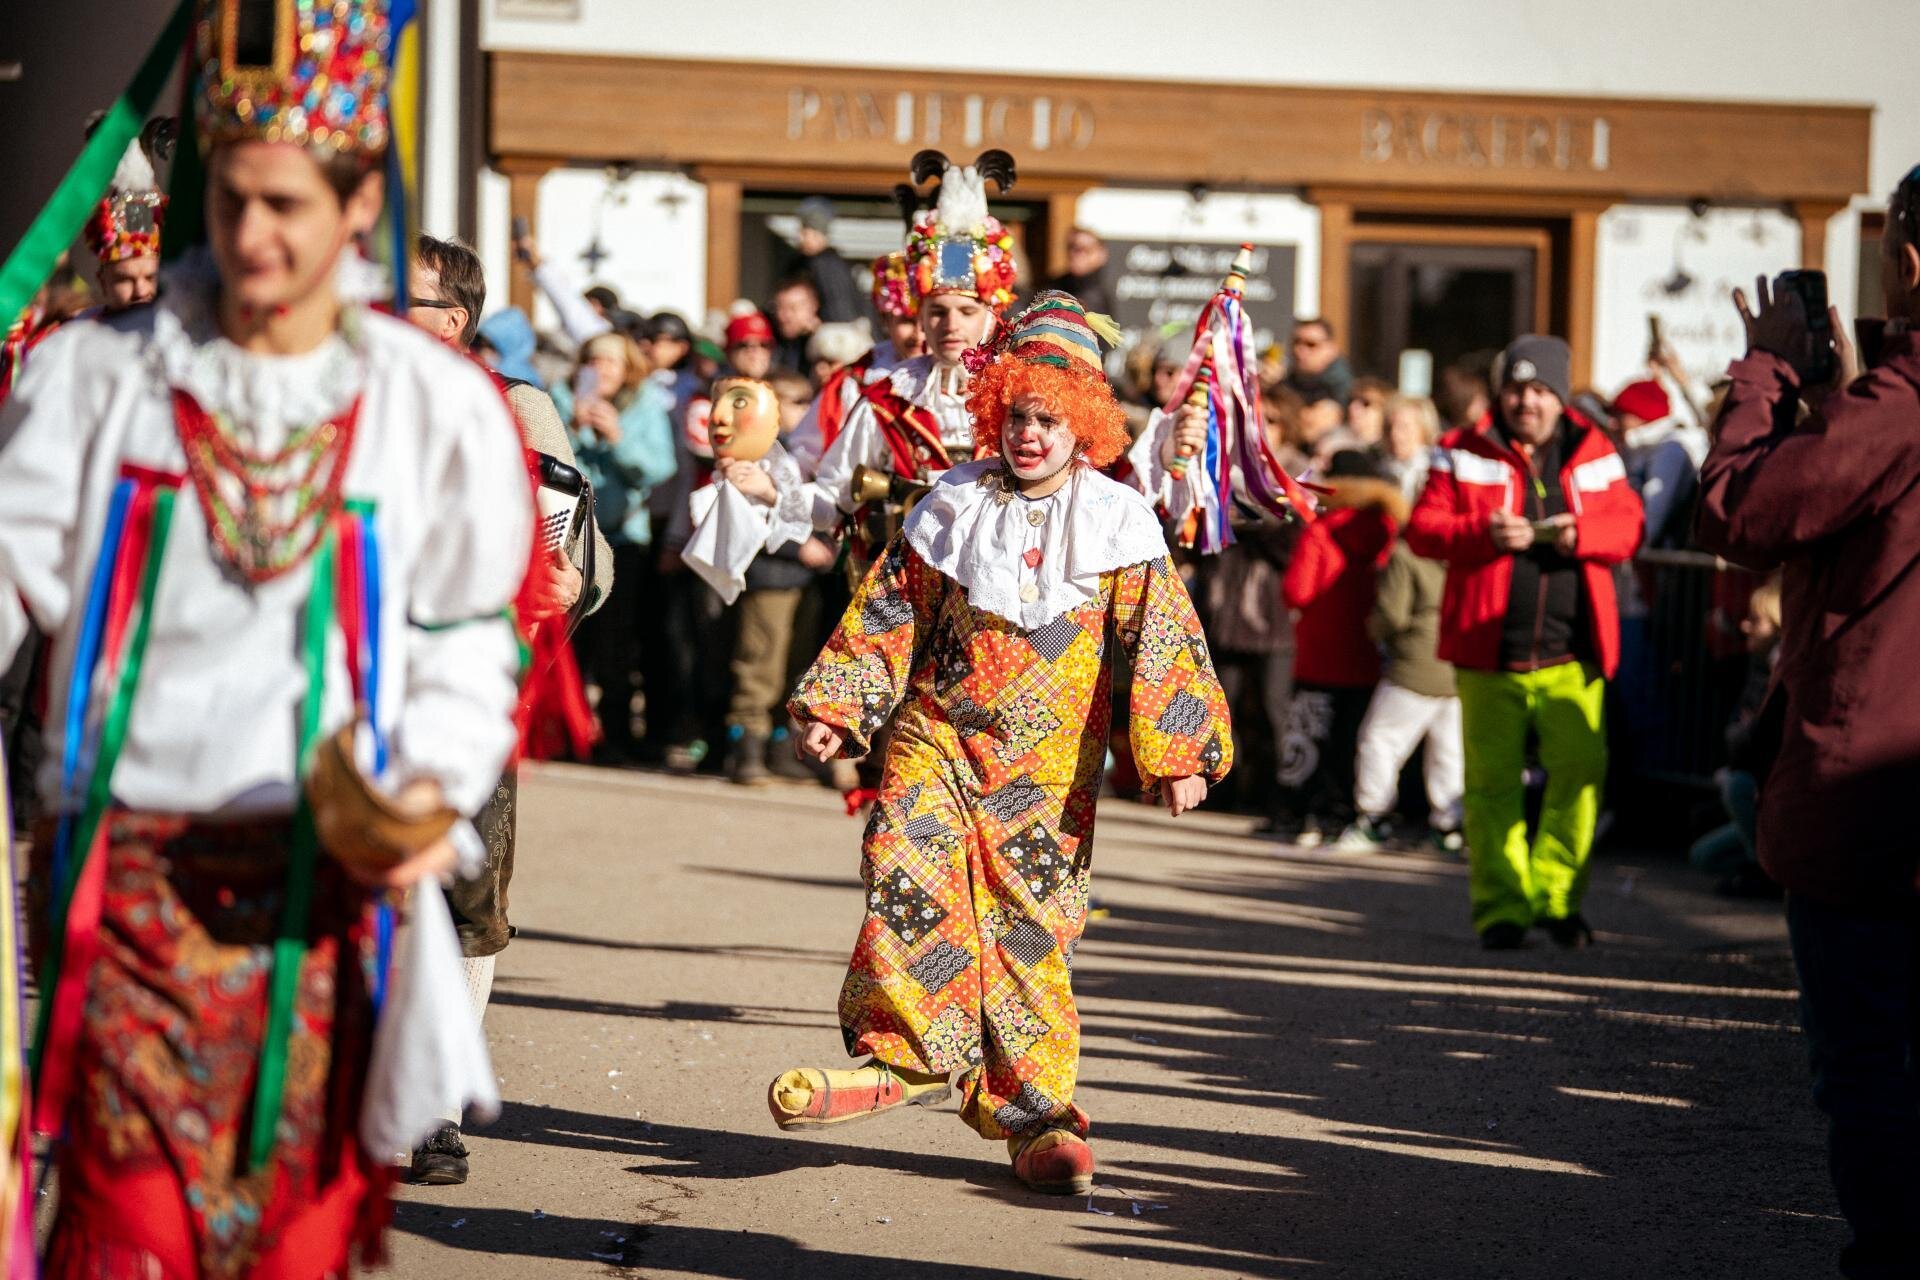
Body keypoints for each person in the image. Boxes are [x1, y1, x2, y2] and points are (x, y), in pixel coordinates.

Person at [0, 0, 535, 1268]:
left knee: (285, 1232)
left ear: (357, 205)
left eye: (286, 204)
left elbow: (469, 635)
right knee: (126, 1224)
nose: (250, 235)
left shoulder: (430, 404)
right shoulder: (95, 375)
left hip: (324, 883)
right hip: (124, 879)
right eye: (231, 199)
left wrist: (427, 785)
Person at [767, 292, 1232, 1196]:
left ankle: (1036, 1117)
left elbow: (1165, 643)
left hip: (1049, 771)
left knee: (1029, 936)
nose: (1028, 434)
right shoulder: (950, 505)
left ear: (1084, 426)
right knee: (907, 864)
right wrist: (841, 705)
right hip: (937, 735)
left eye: (1048, 420)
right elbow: (889, 614)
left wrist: (1178, 753)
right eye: (1016, 414)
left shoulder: (1120, 525)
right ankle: (900, 1052)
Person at [1693, 172, 1920, 1278]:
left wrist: (1771, 369)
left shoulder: (1905, 403)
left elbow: (1742, 509)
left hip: (1874, 798)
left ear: (1909, 264)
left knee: (1876, 1065)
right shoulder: (1890, 400)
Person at [402, 234, 610, 1183]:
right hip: (353, 678)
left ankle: (434, 1108)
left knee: (465, 901)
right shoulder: (336, 390)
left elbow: (581, 543)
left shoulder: (517, 408)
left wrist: (571, 580)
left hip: (474, 683)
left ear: (452, 321)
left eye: (401, 301)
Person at [1406, 335, 1643, 950]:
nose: (1526, 401)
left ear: (1560, 396)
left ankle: (1558, 902)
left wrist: (1580, 532)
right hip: (1490, 654)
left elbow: (1627, 527)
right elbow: (1424, 529)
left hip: (1575, 655)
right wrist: (1482, 532)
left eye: (1540, 390)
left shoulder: (1597, 450)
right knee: (1489, 789)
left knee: (1580, 779)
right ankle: (1502, 910)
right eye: (1516, 388)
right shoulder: (1458, 450)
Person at [796, 151, 1018, 556]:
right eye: (936, 312)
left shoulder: (1024, 393)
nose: (951, 325)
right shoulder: (889, 398)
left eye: (967, 311)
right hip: (907, 585)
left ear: (991, 315)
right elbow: (834, 492)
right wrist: (770, 496)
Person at [554, 332, 677, 763]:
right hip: (565, 538)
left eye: (612, 362)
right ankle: (563, 732)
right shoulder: (557, 398)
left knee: (616, 642)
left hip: (622, 538)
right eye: (594, 360)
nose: (602, 370)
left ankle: (617, 736)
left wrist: (617, 437)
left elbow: (660, 467)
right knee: (567, 641)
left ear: (627, 370)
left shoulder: (643, 406)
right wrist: (572, 425)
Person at [1280, 450, 1405, 844]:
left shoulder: (1322, 529)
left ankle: (1303, 814)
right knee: (1354, 739)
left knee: (1311, 736)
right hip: (1369, 651)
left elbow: (1297, 590)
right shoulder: (1387, 527)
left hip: (1320, 651)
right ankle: (1346, 813)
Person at [1337, 531, 1463, 854]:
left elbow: (1392, 614)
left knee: (1379, 740)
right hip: (1458, 664)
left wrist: (1372, 629)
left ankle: (1373, 818)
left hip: (1414, 665)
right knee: (1448, 751)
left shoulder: (1407, 553)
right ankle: (1449, 827)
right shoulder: (1463, 550)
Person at [1686, 575, 1780, 898]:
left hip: (1775, 793)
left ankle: (1768, 874)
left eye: (1756, 620)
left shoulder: (1786, 675)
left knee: (1737, 787)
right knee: (1705, 855)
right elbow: (1737, 733)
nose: (1745, 626)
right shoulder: (1757, 667)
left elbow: (1754, 737)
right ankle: (1761, 864)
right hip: (1757, 783)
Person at [790, 197, 861, 323]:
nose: (800, 239)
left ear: (819, 235)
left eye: (805, 233)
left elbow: (839, 309)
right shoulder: (815, 262)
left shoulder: (825, 264)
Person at [1379, 392, 1440, 503]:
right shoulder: (1380, 471)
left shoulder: (1435, 472)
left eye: (1403, 427)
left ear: (1424, 429)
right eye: (1389, 427)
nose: (1394, 434)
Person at [1044, 226, 1116, 318]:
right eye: (1072, 247)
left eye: (1085, 249)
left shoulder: (1103, 294)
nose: (1077, 254)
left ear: (1101, 254)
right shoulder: (1051, 287)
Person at [1282, 317, 1353, 405]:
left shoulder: (1346, 391)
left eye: (1311, 345)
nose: (1300, 350)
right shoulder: (1286, 385)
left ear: (1331, 349)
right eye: (1296, 342)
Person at [770, 276, 823, 376]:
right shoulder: (769, 340)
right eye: (779, 308)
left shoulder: (827, 348)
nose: (784, 316)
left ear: (813, 306)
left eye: (793, 308)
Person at [1345, 376, 1392, 449]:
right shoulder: (1333, 444)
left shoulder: (1389, 452)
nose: (1353, 407)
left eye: (1365, 403)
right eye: (1351, 401)